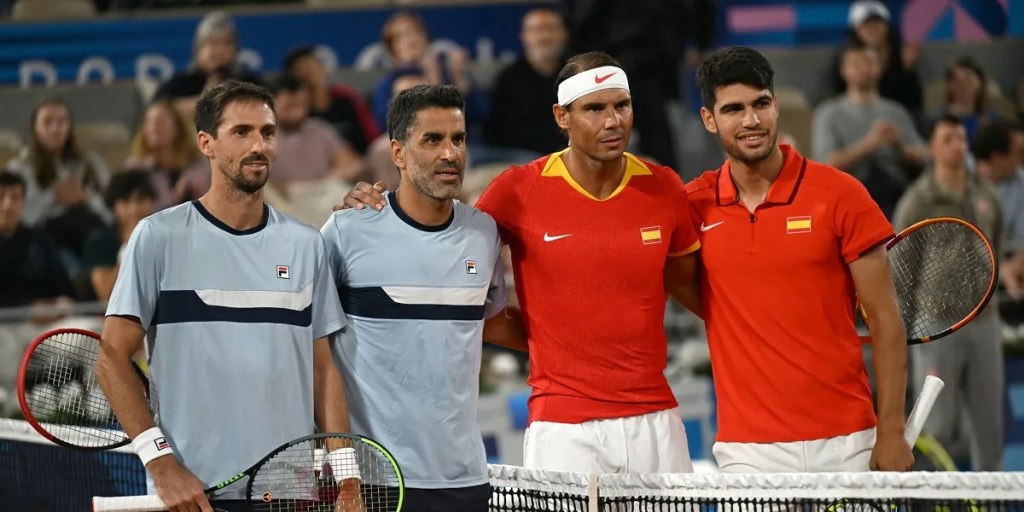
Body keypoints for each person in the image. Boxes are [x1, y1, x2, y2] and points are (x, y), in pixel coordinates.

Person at [337, 52, 702, 475]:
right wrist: (374, 212)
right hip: (563, 425)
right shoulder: (516, 190)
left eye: (622, 105)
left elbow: (689, 287)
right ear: (561, 116)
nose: (613, 121)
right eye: (595, 109)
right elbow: (445, 250)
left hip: (656, 416)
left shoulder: (665, 188)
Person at [96, 81, 352, 512]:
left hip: (289, 494)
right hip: (192, 495)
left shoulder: (307, 245)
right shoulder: (157, 237)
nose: (259, 145)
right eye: (242, 132)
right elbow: (110, 357)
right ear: (206, 143)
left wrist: (347, 476)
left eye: (268, 133)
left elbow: (322, 369)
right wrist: (161, 466)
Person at [687, 46, 913, 472]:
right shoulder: (692, 205)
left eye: (761, 104)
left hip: (847, 441)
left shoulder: (842, 194)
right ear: (709, 120)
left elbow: (886, 320)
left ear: (775, 107)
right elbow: (683, 285)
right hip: (747, 451)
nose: (751, 120)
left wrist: (892, 432)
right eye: (733, 109)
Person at [322, 84, 526, 512]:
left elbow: (489, 323)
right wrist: (344, 471)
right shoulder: (346, 231)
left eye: (458, 139)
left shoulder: (483, 233)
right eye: (432, 140)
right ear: (397, 152)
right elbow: (316, 352)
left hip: (466, 477)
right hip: (375, 481)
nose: (450, 153)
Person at [893, 114, 1004, 471]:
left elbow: (995, 248)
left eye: (961, 138)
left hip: (985, 321)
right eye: (948, 139)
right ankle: (935, 502)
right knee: (936, 426)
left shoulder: (986, 194)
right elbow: (899, 266)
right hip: (936, 327)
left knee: (990, 423)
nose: (958, 146)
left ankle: (991, 502)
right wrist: (908, 327)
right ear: (931, 148)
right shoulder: (917, 200)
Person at [814, 39, 927, 220]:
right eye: (856, 63)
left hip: (896, 195)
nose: (864, 68)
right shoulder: (828, 113)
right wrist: (870, 143)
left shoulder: (896, 112)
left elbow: (925, 157)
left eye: (869, 62)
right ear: (844, 70)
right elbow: (826, 164)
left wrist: (899, 144)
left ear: (880, 67)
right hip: (848, 196)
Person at [81, 170, 157, 302]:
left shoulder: (166, 236)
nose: (134, 209)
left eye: (141, 200)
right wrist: (131, 245)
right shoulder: (100, 240)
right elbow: (105, 293)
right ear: (114, 206)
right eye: (126, 202)